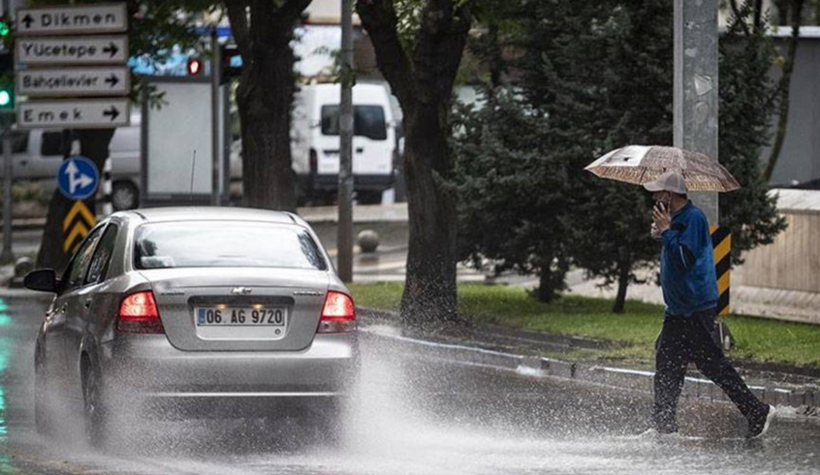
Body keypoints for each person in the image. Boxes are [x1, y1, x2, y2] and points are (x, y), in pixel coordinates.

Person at [644, 170, 775, 439]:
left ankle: (757, 411)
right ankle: (663, 426)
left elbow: (683, 259)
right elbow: (674, 248)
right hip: (678, 309)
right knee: (668, 363)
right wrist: (662, 232)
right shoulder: (676, 219)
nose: (654, 197)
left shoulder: (692, 218)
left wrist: (667, 232)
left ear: (669, 195)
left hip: (694, 307)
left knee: (712, 364)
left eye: (658, 192)